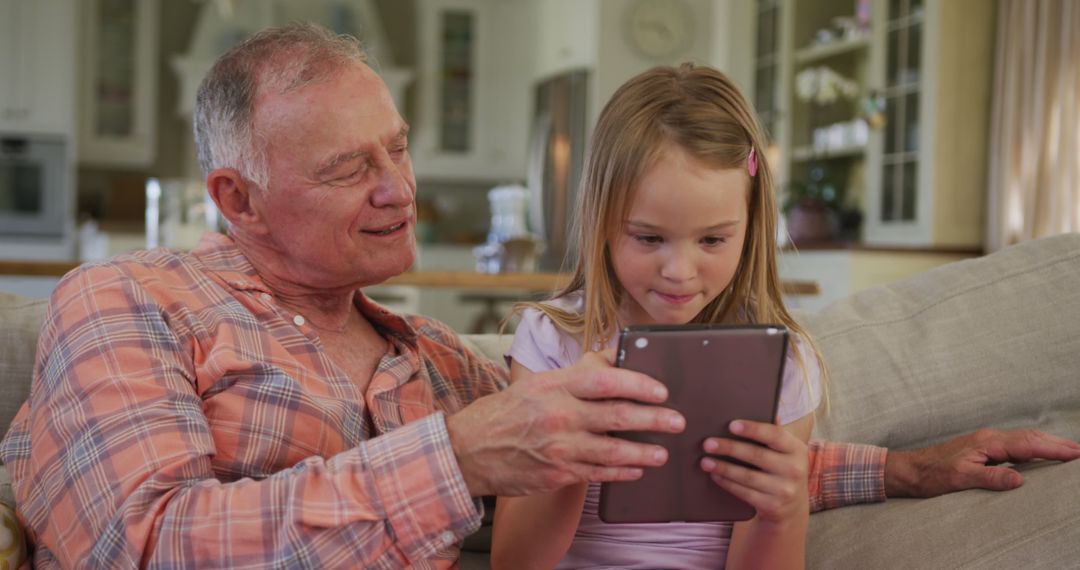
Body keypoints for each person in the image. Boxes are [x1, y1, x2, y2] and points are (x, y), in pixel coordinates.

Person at [1, 23, 1077, 569]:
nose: (403, 193)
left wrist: (898, 465)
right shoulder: (125, 301)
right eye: (348, 170)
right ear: (236, 196)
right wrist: (459, 459)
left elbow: (669, 443)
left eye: (402, 150)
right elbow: (136, 546)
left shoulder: (433, 360)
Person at [488, 63, 1080, 569]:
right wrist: (568, 452)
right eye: (648, 239)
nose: (680, 271)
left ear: (751, 227)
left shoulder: (783, 363)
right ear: (601, 220)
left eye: (713, 241)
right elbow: (514, 561)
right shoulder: (553, 341)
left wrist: (784, 505)